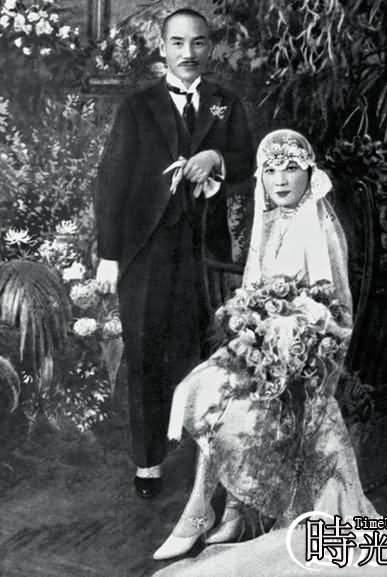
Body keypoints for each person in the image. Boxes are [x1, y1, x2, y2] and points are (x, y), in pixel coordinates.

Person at [152, 128, 381, 566]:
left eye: (291, 168)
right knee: (197, 388)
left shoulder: (318, 226)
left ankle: (205, 512)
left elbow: (332, 315)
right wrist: (249, 324)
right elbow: (253, 291)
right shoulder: (270, 221)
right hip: (266, 353)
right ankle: (227, 511)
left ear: (310, 174)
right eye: (271, 170)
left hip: (307, 363)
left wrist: (284, 337)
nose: (281, 180)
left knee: (229, 405)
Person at [95, 8, 254, 499]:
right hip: (145, 249)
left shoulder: (226, 103)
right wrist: (109, 255)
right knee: (145, 352)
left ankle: (207, 463)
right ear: (162, 48)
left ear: (211, 48)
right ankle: (148, 463)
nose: (189, 53)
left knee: (203, 350)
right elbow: (111, 182)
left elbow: (249, 161)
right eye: (178, 43)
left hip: (203, 251)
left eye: (199, 43)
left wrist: (217, 158)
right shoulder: (137, 107)